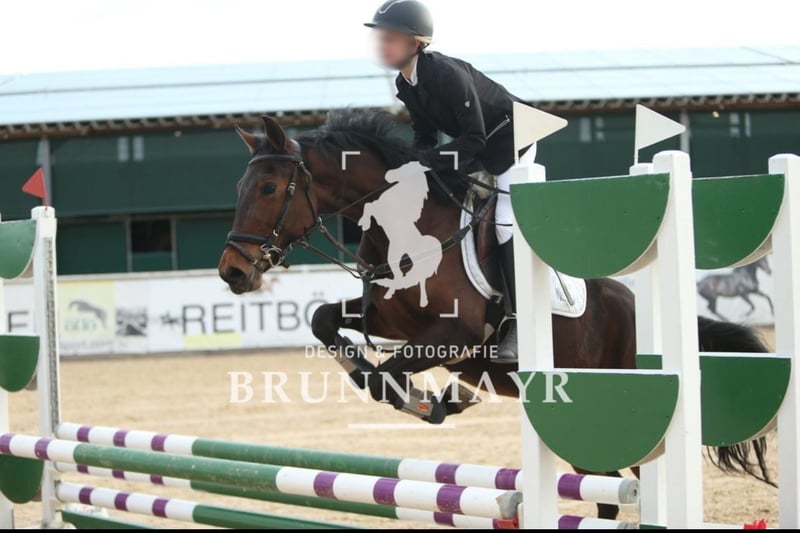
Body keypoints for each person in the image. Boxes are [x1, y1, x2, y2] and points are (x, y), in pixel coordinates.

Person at [365, 0, 534, 363]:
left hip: (512, 144)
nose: (383, 45)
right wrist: (406, 167)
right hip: (476, 150)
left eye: (390, 38)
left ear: (415, 43)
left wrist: (424, 163)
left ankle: (519, 322)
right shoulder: (405, 82)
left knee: (503, 221)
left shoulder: (446, 74)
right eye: (381, 38)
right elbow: (425, 135)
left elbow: (475, 139)